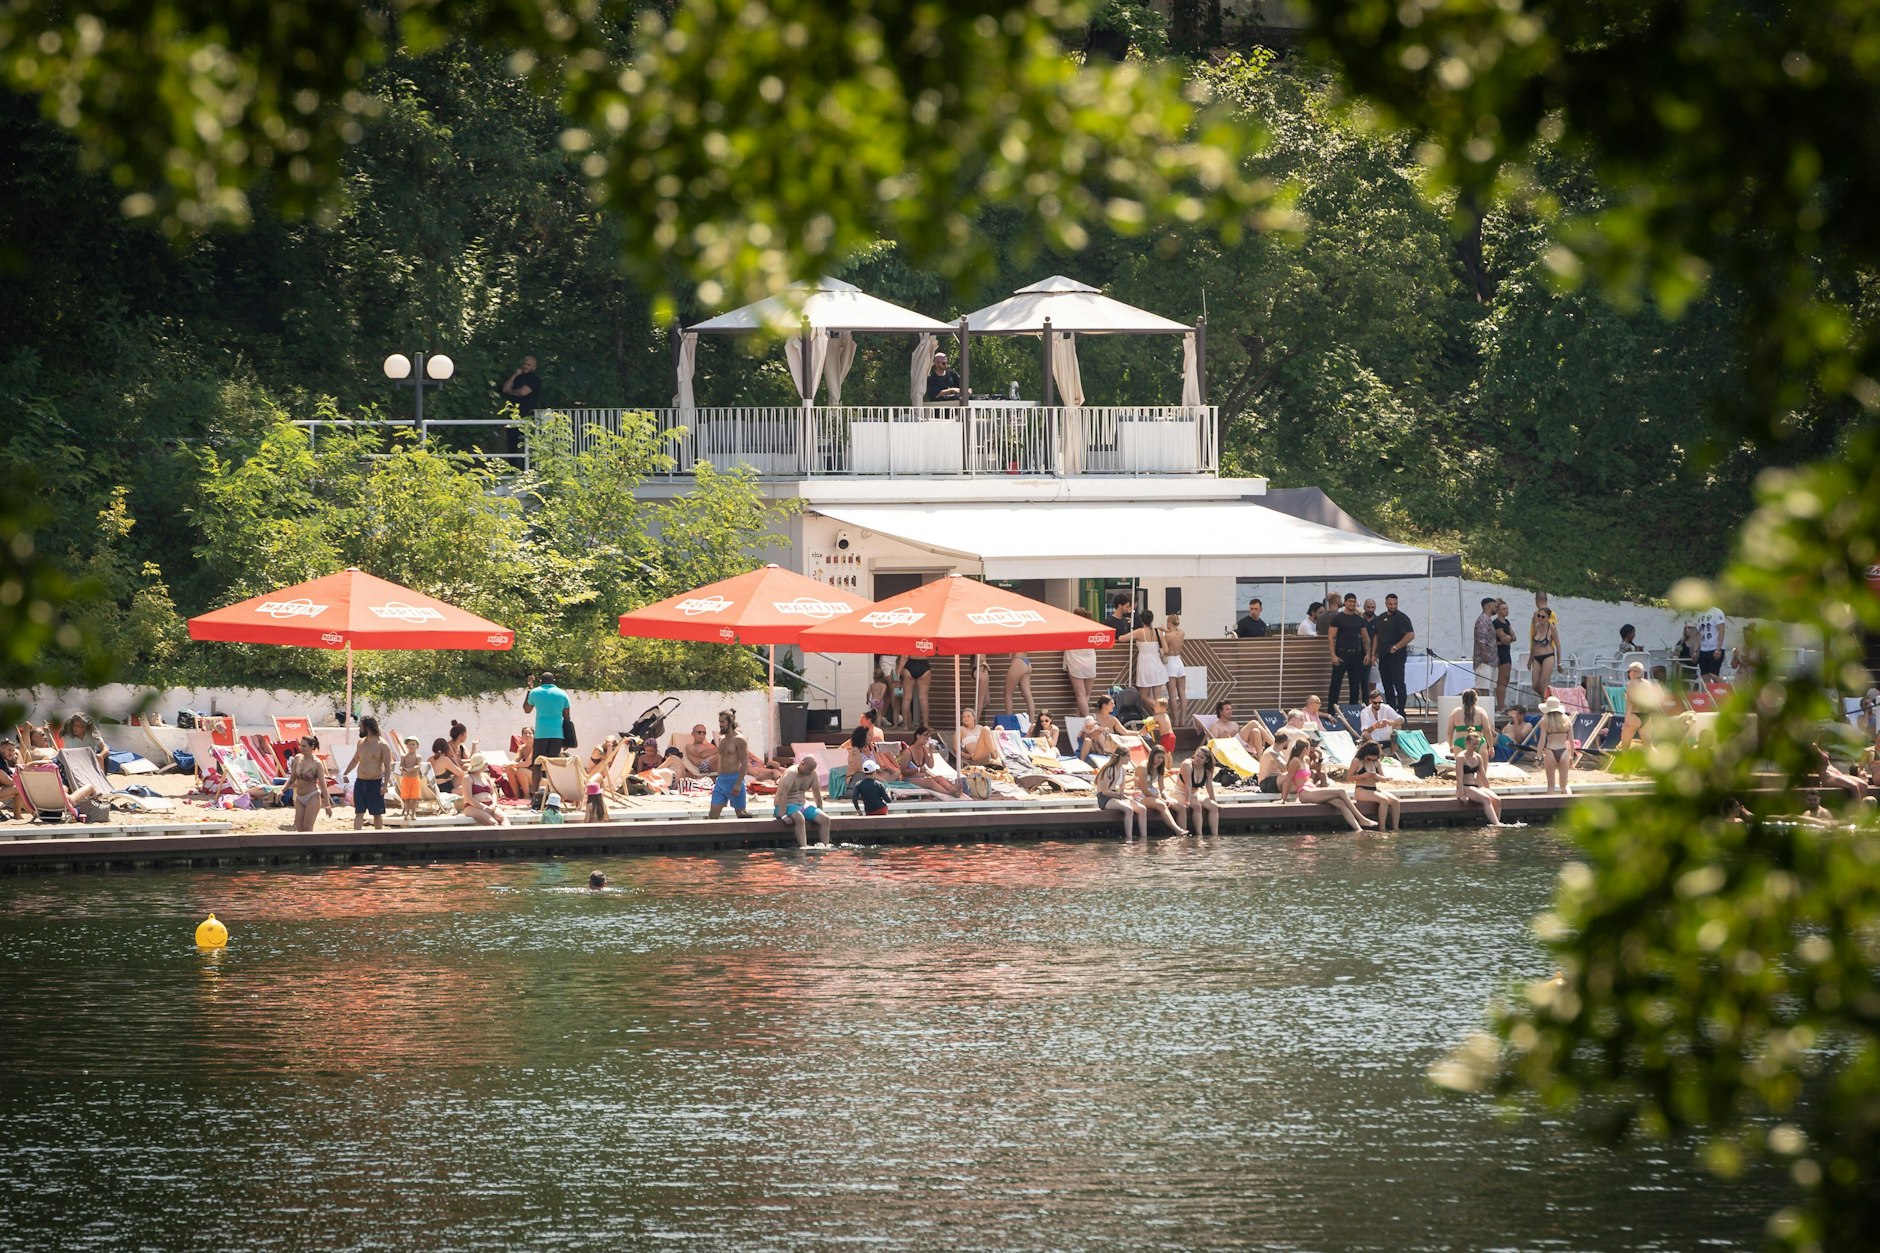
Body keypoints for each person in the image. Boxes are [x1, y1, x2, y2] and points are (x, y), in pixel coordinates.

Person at [1278, 738, 1377, 830]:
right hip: (1305, 792)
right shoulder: (1295, 761)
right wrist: (1283, 799)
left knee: (1340, 803)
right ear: (1305, 748)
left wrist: (1318, 758)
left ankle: (1359, 830)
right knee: (1341, 791)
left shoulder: (1306, 760)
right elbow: (1289, 780)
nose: (1311, 749)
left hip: (1312, 789)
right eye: (1309, 747)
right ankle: (1362, 819)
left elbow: (1315, 772)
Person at [343, 716, 395, 831]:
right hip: (360, 782)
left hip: (374, 783)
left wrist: (385, 785)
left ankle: (378, 836)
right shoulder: (361, 743)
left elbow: (387, 766)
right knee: (359, 812)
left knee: (377, 813)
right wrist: (346, 773)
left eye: (361, 726)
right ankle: (356, 835)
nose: (359, 729)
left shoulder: (382, 745)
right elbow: (355, 759)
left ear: (367, 727)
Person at [523, 671, 571, 793]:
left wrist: (529, 690)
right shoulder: (562, 694)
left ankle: (534, 795)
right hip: (557, 735)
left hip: (541, 734)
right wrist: (567, 739)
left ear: (541, 682)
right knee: (553, 766)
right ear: (554, 681)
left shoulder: (535, 692)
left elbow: (527, 710)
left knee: (537, 765)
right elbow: (567, 718)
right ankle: (551, 794)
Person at [1371, 593, 1415, 712]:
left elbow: (1410, 635)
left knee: (1399, 683)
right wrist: (1373, 653)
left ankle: (1401, 710)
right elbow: (1376, 636)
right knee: (1386, 684)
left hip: (1397, 656)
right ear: (1386, 604)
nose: (1393, 606)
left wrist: (1397, 646)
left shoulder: (1402, 618)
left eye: (1395, 604)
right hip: (1383, 655)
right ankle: (1390, 708)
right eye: (1390, 604)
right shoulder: (1381, 618)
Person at [773, 756, 830, 847]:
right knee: (799, 818)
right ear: (802, 763)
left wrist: (820, 810)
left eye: (812, 770)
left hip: (802, 805)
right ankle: (804, 848)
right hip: (786, 805)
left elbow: (817, 794)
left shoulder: (812, 774)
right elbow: (782, 794)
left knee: (825, 819)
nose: (810, 772)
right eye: (809, 769)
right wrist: (783, 815)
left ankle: (825, 847)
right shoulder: (791, 773)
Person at [1118, 609, 1169, 708]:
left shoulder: (1139, 632)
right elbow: (1166, 649)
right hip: (1157, 663)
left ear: (1141, 620)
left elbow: (1122, 638)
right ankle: (1160, 716)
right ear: (1152, 620)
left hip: (1145, 665)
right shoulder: (1158, 632)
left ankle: (1160, 709)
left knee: (1143, 695)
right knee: (1157, 695)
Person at [1135, 745, 1189, 837]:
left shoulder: (1160, 768)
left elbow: (1162, 788)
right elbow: (1144, 790)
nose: (1160, 760)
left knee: (1181, 807)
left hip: (1154, 793)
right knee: (1161, 804)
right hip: (1140, 794)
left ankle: (1183, 834)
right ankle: (1178, 830)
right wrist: (1160, 799)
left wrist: (1166, 797)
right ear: (1152, 756)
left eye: (1162, 758)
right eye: (1158, 757)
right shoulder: (1143, 767)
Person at [708, 709, 753, 819]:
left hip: (735, 779)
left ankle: (746, 836)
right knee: (713, 815)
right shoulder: (722, 739)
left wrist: (738, 783)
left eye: (723, 722)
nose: (720, 725)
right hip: (721, 780)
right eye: (719, 722)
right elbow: (721, 759)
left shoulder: (739, 740)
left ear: (730, 721)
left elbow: (745, 763)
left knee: (741, 815)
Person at [1092, 747, 1145, 840]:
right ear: (1121, 757)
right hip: (1104, 798)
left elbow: (1122, 791)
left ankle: (1144, 837)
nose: (1130, 759)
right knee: (1129, 809)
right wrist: (1120, 796)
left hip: (1115, 796)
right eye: (1128, 756)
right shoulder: (1109, 769)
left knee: (1142, 809)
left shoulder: (1122, 771)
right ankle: (1129, 839)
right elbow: (1104, 791)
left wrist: (1131, 793)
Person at [1453, 732, 1506, 825]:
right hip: (1465, 787)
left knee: (1497, 800)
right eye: (1474, 744)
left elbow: (1483, 776)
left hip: (1476, 786)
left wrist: (1488, 790)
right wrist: (1461, 795)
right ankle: (1497, 824)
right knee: (1486, 799)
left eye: (1477, 744)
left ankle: (1495, 822)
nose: (1476, 746)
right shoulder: (1461, 757)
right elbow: (1459, 778)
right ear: (1467, 743)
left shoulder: (1478, 757)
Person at [1348, 741, 1402, 831]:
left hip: (1374, 789)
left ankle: (1395, 828)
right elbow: (1349, 778)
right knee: (1384, 800)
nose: (1371, 761)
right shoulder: (1357, 761)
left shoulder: (1376, 762)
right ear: (1365, 754)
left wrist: (1377, 776)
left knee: (1395, 801)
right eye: (1369, 759)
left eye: (1374, 759)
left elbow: (1384, 779)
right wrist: (1363, 776)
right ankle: (1382, 829)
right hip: (1362, 790)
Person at [1326, 593, 1368, 706]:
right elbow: (1331, 637)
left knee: (1355, 685)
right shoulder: (1337, 618)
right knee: (1336, 684)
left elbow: (1365, 638)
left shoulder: (1359, 619)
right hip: (1341, 654)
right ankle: (1332, 710)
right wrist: (1333, 655)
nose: (1352, 604)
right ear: (1344, 603)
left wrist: (1368, 653)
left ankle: (1353, 710)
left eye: (1354, 602)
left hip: (1356, 656)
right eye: (1349, 601)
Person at [1615, 661, 1664, 752]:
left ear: (1635, 672)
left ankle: (1625, 766)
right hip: (1646, 716)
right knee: (1649, 746)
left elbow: (1631, 702)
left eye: (1629, 671)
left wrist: (1626, 718)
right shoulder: (1648, 684)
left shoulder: (1631, 684)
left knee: (1625, 747)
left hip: (1634, 716)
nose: (1629, 673)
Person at [1173, 745, 1222, 836]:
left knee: (1214, 806)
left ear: (1206, 760)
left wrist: (1214, 800)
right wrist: (1187, 801)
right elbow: (1188, 785)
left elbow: (1209, 786)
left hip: (1194, 794)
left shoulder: (1208, 769)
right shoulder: (1187, 765)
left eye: (1201, 757)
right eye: (1197, 755)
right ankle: (1199, 836)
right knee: (1197, 806)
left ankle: (1215, 836)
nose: (1198, 759)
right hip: (1180, 792)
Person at [898, 726, 959, 797]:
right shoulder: (908, 752)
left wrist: (931, 752)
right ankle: (949, 793)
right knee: (930, 782)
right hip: (908, 780)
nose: (927, 738)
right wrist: (918, 770)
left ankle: (952, 789)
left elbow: (930, 765)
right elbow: (903, 771)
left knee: (940, 778)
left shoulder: (924, 749)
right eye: (925, 736)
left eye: (929, 737)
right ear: (918, 736)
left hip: (920, 778)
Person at [288, 735, 331, 833]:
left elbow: (323, 785)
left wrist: (327, 805)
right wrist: (282, 790)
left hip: (312, 796)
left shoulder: (317, 763)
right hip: (299, 797)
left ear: (312, 747)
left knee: (307, 828)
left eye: (304, 746)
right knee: (299, 828)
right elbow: (292, 778)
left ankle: (311, 848)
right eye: (300, 745)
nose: (301, 748)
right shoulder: (298, 758)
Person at [1062, 608, 1100, 717]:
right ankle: (1079, 717)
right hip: (1090, 660)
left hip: (1076, 661)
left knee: (1080, 695)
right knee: (1086, 695)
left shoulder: (1071, 628)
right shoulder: (1092, 626)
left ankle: (1088, 720)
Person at [1536, 696, 1576, 795]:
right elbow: (1571, 740)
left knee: (1551, 785)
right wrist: (1571, 755)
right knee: (1564, 785)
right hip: (1564, 751)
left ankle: (1550, 808)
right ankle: (1569, 806)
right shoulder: (1567, 720)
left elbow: (1542, 740)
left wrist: (1538, 756)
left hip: (1550, 751)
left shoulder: (1544, 720)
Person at [1529, 593, 1562, 697]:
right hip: (1536, 657)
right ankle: (1550, 699)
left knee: (1543, 684)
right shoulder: (1537, 626)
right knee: (1535, 685)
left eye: (1543, 617)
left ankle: (1545, 706)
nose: (1540, 618)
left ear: (1548, 618)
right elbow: (1533, 643)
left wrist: (1559, 663)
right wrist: (1530, 658)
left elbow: (1558, 644)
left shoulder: (1551, 627)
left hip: (1548, 656)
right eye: (1538, 616)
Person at [1078, 695, 1124, 762]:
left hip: (1108, 748)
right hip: (1093, 747)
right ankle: (1081, 763)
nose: (1114, 705)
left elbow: (1125, 732)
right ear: (1104, 705)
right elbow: (1086, 734)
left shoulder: (1113, 719)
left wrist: (1140, 732)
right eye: (1111, 704)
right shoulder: (1092, 718)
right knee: (1089, 739)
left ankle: (1105, 753)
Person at [896, 653, 932, 731]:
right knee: (924, 698)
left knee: (907, 698)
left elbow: (905, 656)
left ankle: (905, 725)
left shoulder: (909, 640)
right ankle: (926, 725)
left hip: (910, 665)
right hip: (924, 664)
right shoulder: (926, 640)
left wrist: (898, 671)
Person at [1472, 597, 1499, 697]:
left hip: (1491, 660)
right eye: (1495, 606)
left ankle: (1488, 708)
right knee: (1483, 687)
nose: (1496, 608)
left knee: (1489, 687)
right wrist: (1485, 655)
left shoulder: (1488, 620)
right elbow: (1481, 639)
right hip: (1484, 660)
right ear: (1489, 606)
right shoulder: (1483, 620)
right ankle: (1483, 709)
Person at [1003, 652, 1035, 731]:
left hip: (1018, 661)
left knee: (1008, 694)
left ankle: (1009, 722)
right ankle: (1032, 723)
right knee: (1028, 695)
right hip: (1026, 661)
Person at [1493, 599, 1515, 710]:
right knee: (1501, 679)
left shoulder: (1507, 622)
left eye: (1507, 608)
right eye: (1503, 609)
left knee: (1506, 679)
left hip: (1506, 651)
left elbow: (1513, 637)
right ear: (1498, 611)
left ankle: (1502, 704)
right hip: (1500, 652)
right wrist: (1506, 639)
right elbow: (1503, 638)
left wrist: (1508, 638)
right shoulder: (1496, 623)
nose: (1506, 611)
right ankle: (1501, 706)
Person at [396, 736, 424, 823]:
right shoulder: (404, 756)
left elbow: (418, 766)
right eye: (409, 744)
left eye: (413, 744)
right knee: (406, 798)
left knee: (414, 798)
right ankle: (407, 813)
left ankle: (413, 813)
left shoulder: (418, 756)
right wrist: (402, 769)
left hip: (415, 778)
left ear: (417, 746)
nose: (411, 746)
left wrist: (409, 769)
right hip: (406, 778)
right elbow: (401, 765)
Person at [1696, 608, 1728, 678]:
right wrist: (1695, 650)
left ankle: (1726, 688)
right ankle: (1708, 689)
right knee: (1704, 675)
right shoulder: (1699, 614)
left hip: (1715, 647)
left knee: (1713, 674)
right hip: (1704, 649)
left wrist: (1718, 649)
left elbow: (1721, 630)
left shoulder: (1716, 612)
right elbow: (1699, 633)